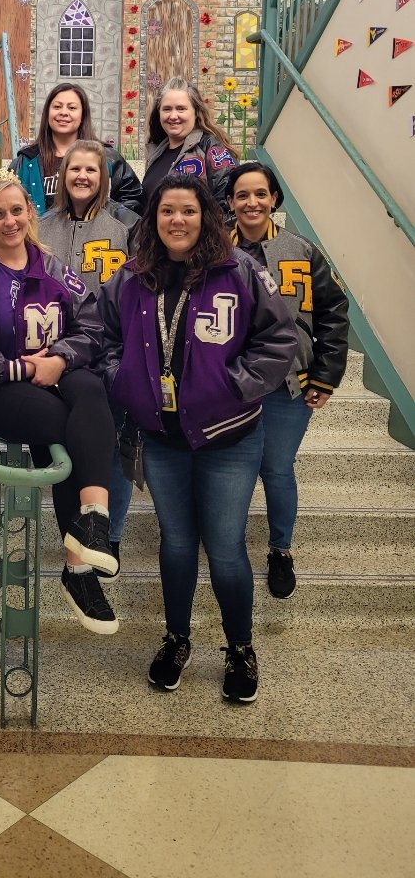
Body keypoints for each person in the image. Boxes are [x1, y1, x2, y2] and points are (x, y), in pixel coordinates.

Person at [96, 175, 297, 703]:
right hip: (163, 438)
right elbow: (103, 336)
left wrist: (236, 387)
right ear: (153, 220)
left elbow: (280, 339)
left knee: (227, 549)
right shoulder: (133, 278)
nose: (177, 221)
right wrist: (125, 382)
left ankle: (239, 648)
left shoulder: (241, 272)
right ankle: (176, 638)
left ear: (206, 216)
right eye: (166, 212)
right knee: (177, 544)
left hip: (229, 438)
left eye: (188, 211)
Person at [0, 173, 120, 634]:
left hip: (54, 376)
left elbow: (92, 328)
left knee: (90, 390)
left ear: (30, 213)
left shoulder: (56, 269)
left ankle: (92, 522)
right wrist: (18, 368)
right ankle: (78, 568)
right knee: (70, 424)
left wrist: (59, 359)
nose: (9, 220)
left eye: (17, 210)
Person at [226, 162, 349, 600]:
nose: (252, 202)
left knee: (276, 470)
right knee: (231, 470)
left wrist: (326, 375)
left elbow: (334, 315)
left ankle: (280, 549)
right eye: (242, 195)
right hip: (229, 386)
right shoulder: (215, 249)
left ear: (274, 199)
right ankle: (226, 543)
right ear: (230, 203)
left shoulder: (303, 251)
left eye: (260, 194)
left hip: (288, 386)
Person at [38, 139, 140, 571]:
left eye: (91, 171)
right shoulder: (40, 227)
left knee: (108, 446)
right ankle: (75, 538)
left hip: (106, 355)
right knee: (65, 446)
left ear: (104, 178)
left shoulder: (126, 227)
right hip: (51, 354)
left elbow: (138, 294)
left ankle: (108, 535)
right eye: (74, 169)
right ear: (62, 175)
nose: (82, 177)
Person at [11, 82, 144, 216]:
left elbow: (133, 201)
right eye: (57, 107)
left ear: (82, 115)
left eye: (72, 108)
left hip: (94, 237)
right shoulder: (25, 162)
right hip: (39, 236)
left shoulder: (108, 158)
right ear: (47, 113)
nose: (63, 112)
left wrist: (108, 225)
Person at [143, 77, 236, 212]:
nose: (173, 116)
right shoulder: (156, 153)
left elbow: (230, 207)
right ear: (159, 113)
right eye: (167, 109)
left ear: (196, 112)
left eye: (181, 109)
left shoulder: (213, 149)